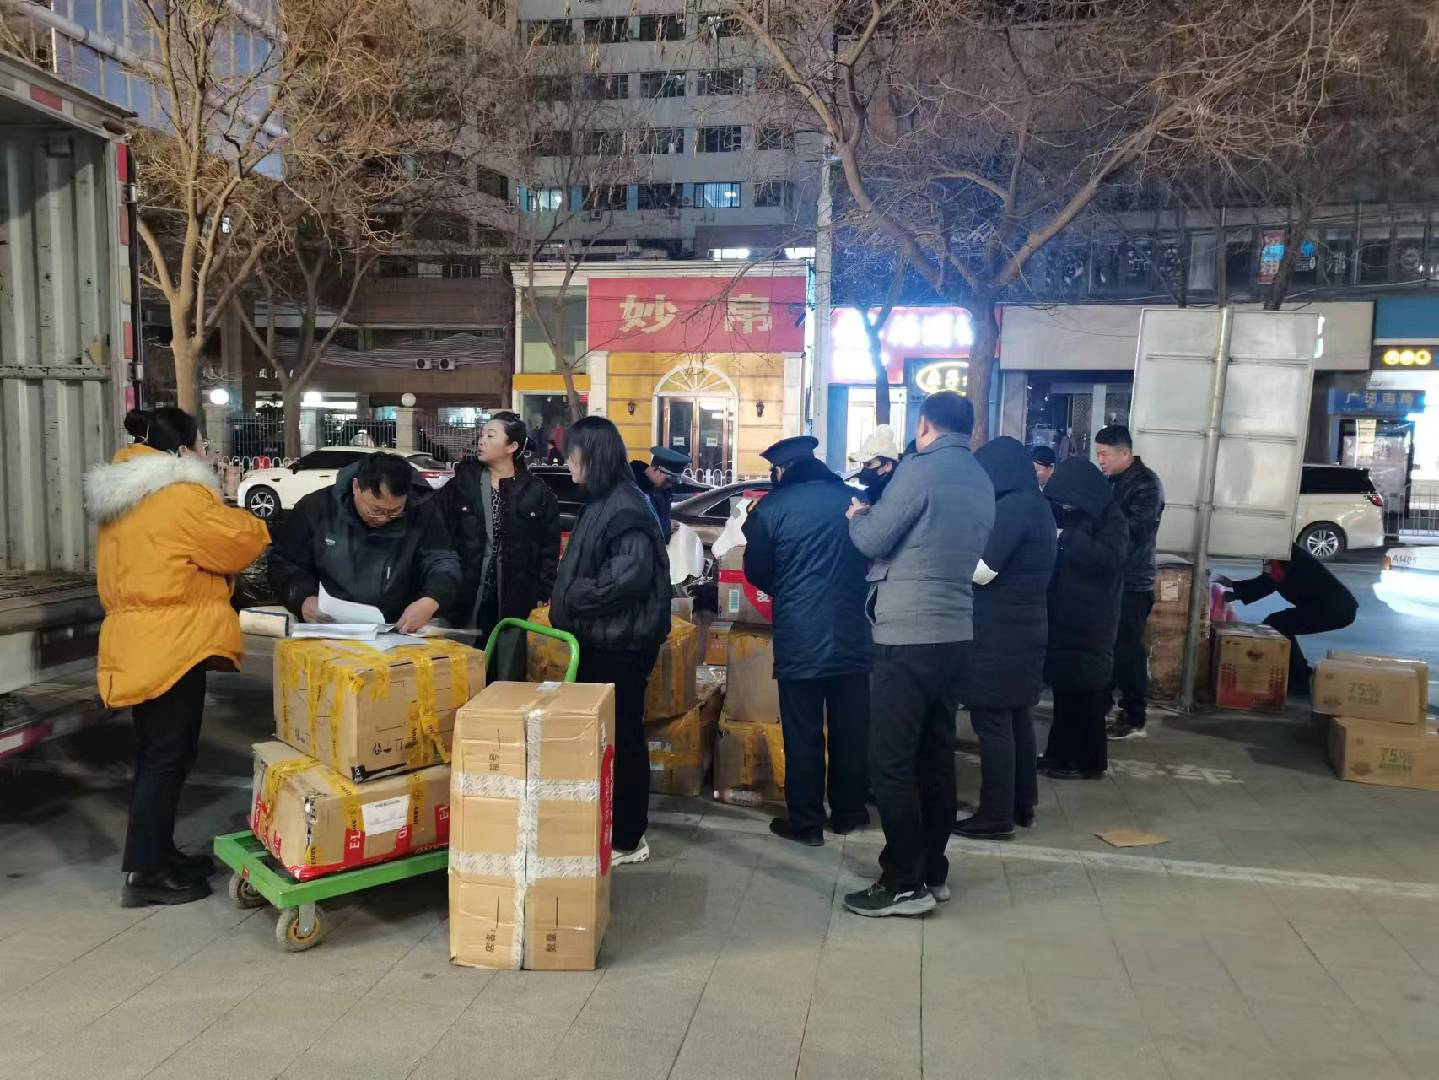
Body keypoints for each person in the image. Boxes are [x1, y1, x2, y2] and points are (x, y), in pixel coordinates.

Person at [85, 408, 270, 907]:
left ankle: (159, 855)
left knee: (158, 755)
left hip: (140, 638)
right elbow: (239, 542)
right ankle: (145, 873)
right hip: (174, 642)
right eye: (201, 446)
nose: (205, 455)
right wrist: (231, 498)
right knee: (167, 758)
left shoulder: (126, 493)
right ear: (183, 450)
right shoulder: (180, 494)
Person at [843, 391, 994, 917]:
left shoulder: (919, 469)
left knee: (890, 763)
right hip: (955, 634)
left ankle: (903, 881)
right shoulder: (979, 478)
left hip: (907, 637)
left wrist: (857, 516)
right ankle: (933, 869)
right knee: (935, 759)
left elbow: (873, 539)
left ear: (925, 425)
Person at [550, 417, 671, 865]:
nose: (567, 463)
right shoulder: (602, 500)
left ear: (593, 456)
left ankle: (627, 838)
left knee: (622, 736)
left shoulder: (625, 506)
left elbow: (628, 577)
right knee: (607, 737)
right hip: (603, 639)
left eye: (572, 454)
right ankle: (610, 827)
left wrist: (574, 595)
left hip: (621, 644)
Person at [743, 435, 872, 847]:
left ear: (781, 470)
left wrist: (788, 588)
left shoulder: (772, 509)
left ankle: (807, 821)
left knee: (804, 733)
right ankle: (849, 813)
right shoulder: (855, 499)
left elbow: (756, 571)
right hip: (854, 634)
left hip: (801, 636)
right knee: (850, 731)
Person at [956, 436, 1057, 840]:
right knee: (1016, 718)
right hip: (1026, 629)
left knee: (992, 721)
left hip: (999, 634)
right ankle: (1021, 804)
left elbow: (982, 571)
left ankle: (995, 815)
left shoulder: (1013, 507)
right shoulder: (1038, 505)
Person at [269, 451, 461, 633]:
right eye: (376, 510)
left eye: (394, 511)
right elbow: (284, 563)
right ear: (356, 487)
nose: (384, 518)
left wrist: (432, 600)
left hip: (397, 628)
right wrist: (303, 598)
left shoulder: (421, 511)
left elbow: (442, 560)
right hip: (329, 628)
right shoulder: (317, 509)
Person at [442, 412, 561, 679]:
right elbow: (439, 533)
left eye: (490, 435)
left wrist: (543, 591)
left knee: (507, 674)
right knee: (464, 676)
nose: (481, 440)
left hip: (515, 601)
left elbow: (549, 550)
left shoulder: (537, 493)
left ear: (512, 447)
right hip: (467, 599)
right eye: (482, 434)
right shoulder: (462, 484)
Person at [1040, 458, 1129, 781]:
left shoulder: (1112, 518)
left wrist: (1067, 538)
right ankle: (1059, 754)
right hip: (1067, 614)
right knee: (1065, 689)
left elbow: (1109, 561)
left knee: (1088, 692)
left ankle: (1089, 762)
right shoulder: (1077, 513)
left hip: (1094, 618)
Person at [1094, 424, 1165, 741]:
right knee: (1108, 646)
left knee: (1127, 651)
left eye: (1104, 454)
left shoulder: (1146, 484)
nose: (1100, 460)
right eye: (1098, 454)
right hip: (1113, 577)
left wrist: (1098, 522)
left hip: (1133, 582)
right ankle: (1101, 705)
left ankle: (1134, 715)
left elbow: (1135, 528)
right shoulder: (1112, 481)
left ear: (1125, 453)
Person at [1219, 543, 1357, 696]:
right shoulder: (1282, 553)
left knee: (1277, 625)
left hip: (1334, 607)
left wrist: (1236, 591)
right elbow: (1269, 580)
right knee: (1279, 624)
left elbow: (1268, 582)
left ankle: (1299, 679)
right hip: (1334, 606)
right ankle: (1298, 676)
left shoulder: (1284, 554)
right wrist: (1235, 587)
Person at [631, 445, 690, 536]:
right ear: (656, 469)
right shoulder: (630, 489)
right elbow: (634, 525)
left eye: (673, 482)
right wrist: (666, 527)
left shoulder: (662, 492)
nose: (670, 485)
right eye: (668, 480)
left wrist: (666, 524)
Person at [849, 425, 901, 503]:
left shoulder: (897, 490)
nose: (865, 469)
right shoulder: (877, 482)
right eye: (863, 464)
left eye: (869, 464)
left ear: (888, 465)